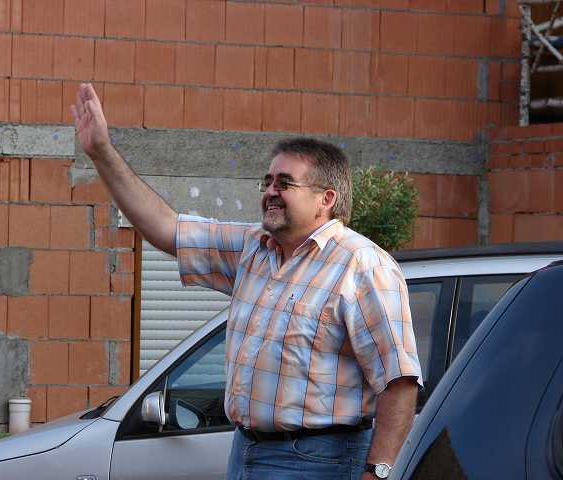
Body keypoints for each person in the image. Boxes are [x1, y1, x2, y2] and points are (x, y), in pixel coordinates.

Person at [71, 83, 423, 480]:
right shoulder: (253, 248)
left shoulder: (363, 266)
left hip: (318, 460)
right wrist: (102, 152)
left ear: (326, 199)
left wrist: (377, 472)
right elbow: (167, 229)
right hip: (245, 451)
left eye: (285, 183)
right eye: (267, 181)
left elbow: (399, 382)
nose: (270, 191)